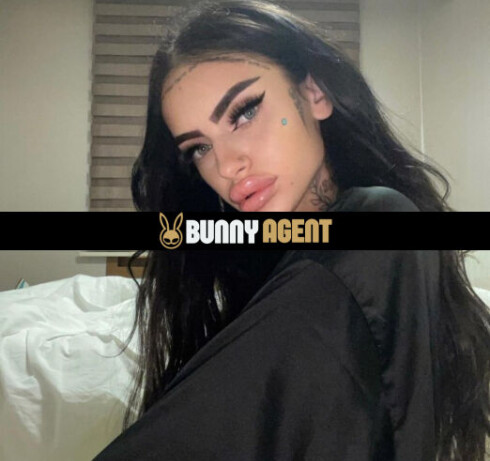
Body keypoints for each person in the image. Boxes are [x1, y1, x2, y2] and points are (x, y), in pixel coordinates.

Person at [94, 1, 490, 460]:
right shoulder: (251, 272)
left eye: (244, 112)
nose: (226, 165)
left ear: (315, 94)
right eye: (199, 147)